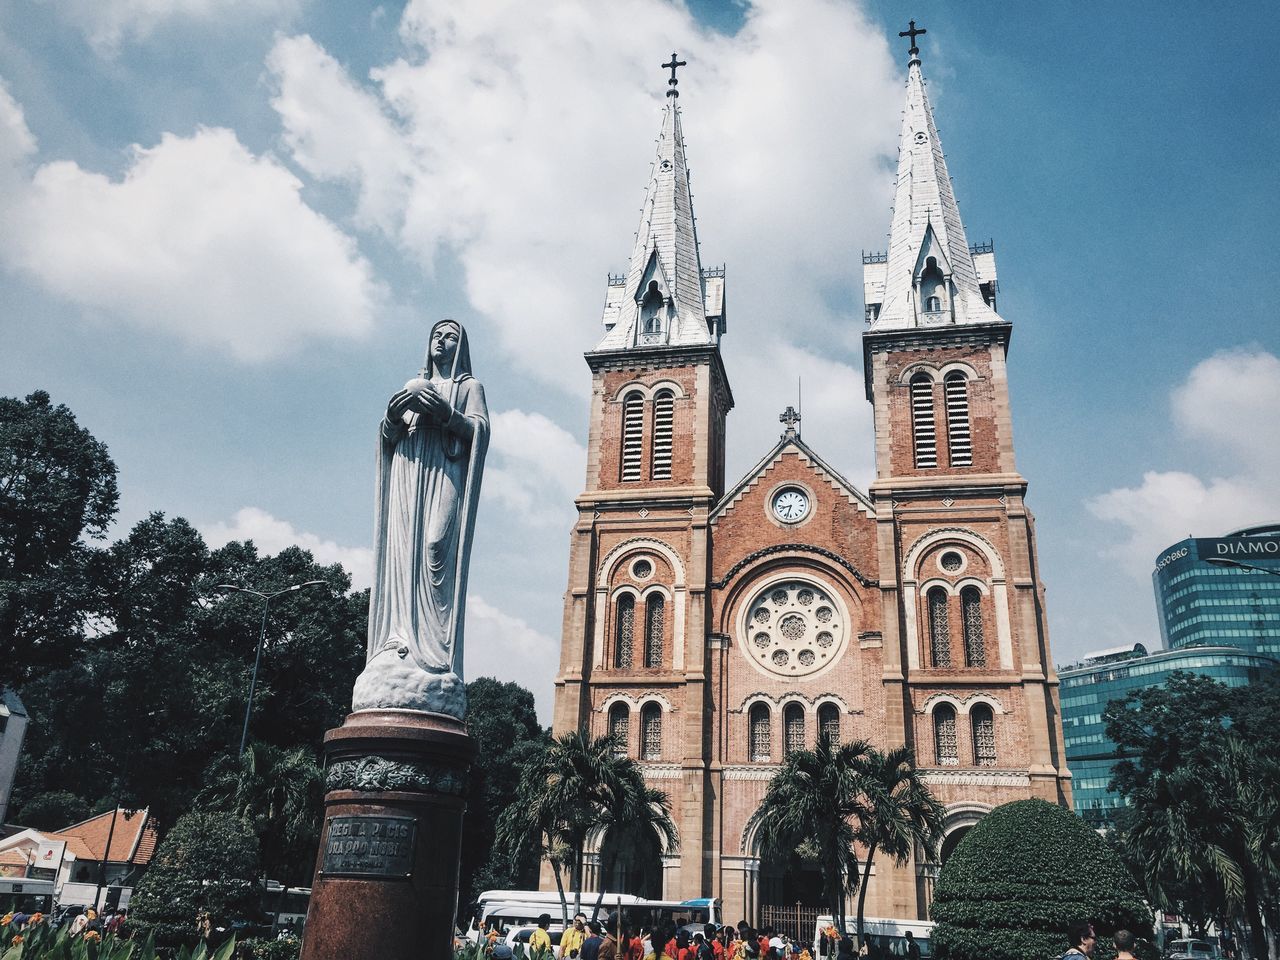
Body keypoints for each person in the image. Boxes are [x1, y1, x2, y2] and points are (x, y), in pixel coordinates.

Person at [355, 318, 490, 717]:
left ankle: (434, 650)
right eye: (436, 334)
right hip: (409, 474)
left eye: (450, 336)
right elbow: (388, 436)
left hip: (445, 471)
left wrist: (449, 415)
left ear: (460, 346)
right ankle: (398, 642)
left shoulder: (469, 388)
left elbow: (479, 433)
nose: (441, 341)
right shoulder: (410, 383)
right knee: (404, 556)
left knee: (434, 547)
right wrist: (394, 418)